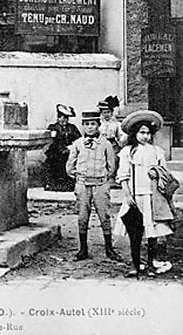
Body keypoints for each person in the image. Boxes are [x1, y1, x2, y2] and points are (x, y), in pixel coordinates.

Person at [114, 110, 174, 277]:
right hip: (134, 196)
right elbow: (123, 176)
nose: (145, 136)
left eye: (148, 133)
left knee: (152, 232)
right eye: (142, 133)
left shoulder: (157, 151)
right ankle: (135, 264)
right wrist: (127, 195)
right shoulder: (128, 151)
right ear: (135, 133)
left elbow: (165, 175)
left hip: (152, 197)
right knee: (135, 231)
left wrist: (158, 172)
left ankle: (150, 264)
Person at [66, 110, 122, 261]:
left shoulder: (106, 144)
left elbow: (111, 166)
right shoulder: (78, 144)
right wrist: (79, 177)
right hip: (83, 185)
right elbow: (70, 166)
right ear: (83, 126)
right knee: (82, 217)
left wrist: (103, 178)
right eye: (86, 124)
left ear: (98, 125)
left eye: (93, 124)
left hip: (100, 185)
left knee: (104, 216)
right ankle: (82, 249)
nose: (90, 127)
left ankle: (109, 249)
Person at [43, 104, 81, 191]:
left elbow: (78, 139)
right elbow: (51, 140)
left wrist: (71, 147)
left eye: (65, 118)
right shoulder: (53, 127)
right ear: (58, 118)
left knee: (70, 163)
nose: (63, 120)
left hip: (69, 151)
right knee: (53, 164)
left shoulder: (72, 128)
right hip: (56, 152)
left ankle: (68, 185)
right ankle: (53, 185)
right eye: (61, 117)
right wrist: (61, 148)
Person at [97, 95, 126, 183]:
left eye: (108, 112)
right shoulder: (99, 124)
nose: (106, 115)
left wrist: (122, 140)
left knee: (114, 160)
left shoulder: (116, 124)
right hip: (100, 143)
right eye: (104, 112)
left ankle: (112, 178)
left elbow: (121, 135)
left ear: (112, 112)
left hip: (112, 144)